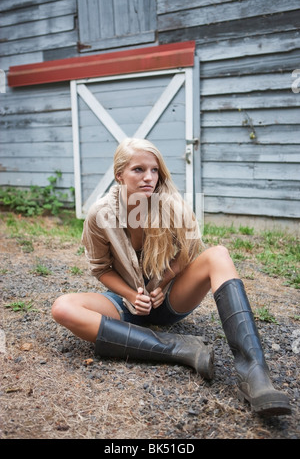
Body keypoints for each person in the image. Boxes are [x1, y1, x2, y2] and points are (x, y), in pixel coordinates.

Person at [52, 137, 291, 417]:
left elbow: (189, 251)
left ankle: (255, 375)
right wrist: (130, 295)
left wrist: (164, 282)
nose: (149, 177)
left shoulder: (171, 205)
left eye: (154, 170)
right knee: (63, 308)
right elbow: (100, 268)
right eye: (138, 170)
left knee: (218, 254)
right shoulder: (100, 214)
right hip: (125, 305)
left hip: (169, 301)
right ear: (119, 175)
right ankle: (178, 348)